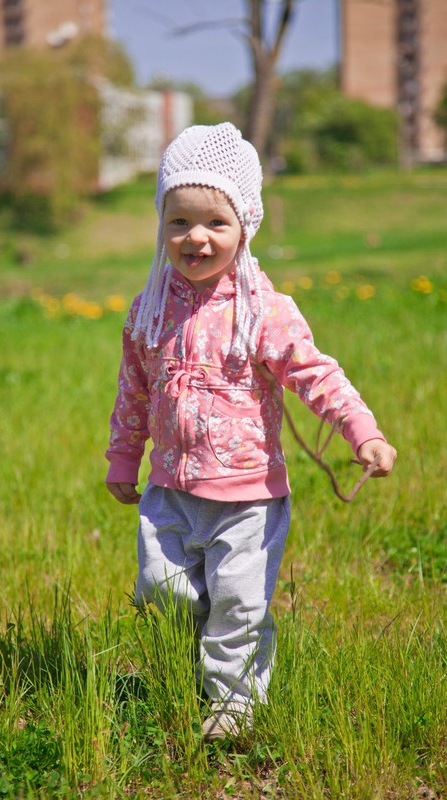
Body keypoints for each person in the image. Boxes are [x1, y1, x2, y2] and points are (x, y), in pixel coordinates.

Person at [105, 123, 397, 741]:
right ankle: (191, 665)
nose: (196, 237)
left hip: (248, 498)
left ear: (245, 227)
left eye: (216, 222)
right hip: (169, 490)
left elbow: (316, 374)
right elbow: (133, 391)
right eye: (179, 222)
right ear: (161, 226)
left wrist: (360, 430)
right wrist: (124, 459)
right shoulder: (149, 308)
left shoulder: (264, 310)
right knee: (162, 592)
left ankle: (233, 706)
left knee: (238, 604)